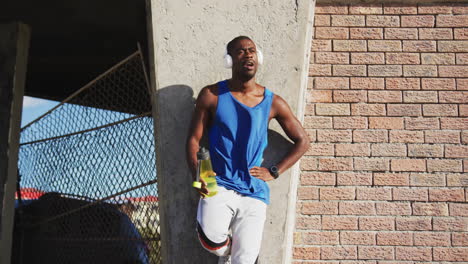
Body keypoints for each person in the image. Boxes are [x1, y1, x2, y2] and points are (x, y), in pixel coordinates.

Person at [186, 36, 310, 264]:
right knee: (211, 241)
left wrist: (273, 171)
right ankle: (232, 251)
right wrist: (198, 175)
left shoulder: (273, 102)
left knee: (245, 260)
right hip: (218, 183)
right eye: (241, 51)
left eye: (252, 50)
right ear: (229, 59)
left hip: (254, 190)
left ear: (259, 58)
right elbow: (194, 140)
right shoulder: (212, 95)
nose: (248, 55)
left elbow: (303, 141)